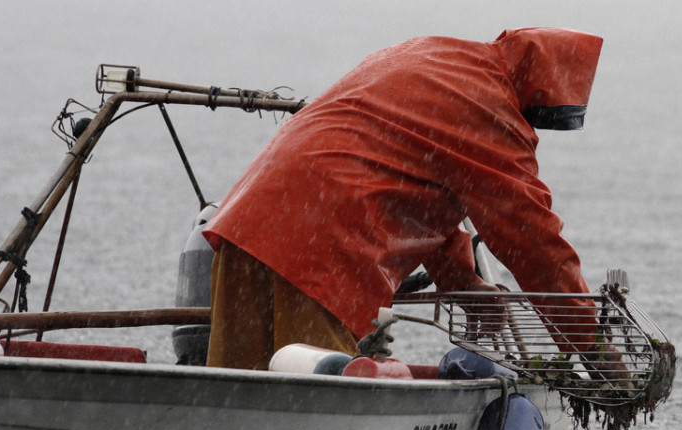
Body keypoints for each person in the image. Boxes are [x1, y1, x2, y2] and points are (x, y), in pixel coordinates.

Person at [203, 27, 609, 371]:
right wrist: (590, 344)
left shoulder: (438, 58)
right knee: (317, 400)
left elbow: (418, 189)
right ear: (537, 96)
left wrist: (461, 283)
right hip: (321, 251)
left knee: (235, 393)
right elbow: (533, 241)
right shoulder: (491, 111)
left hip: (249, 222)